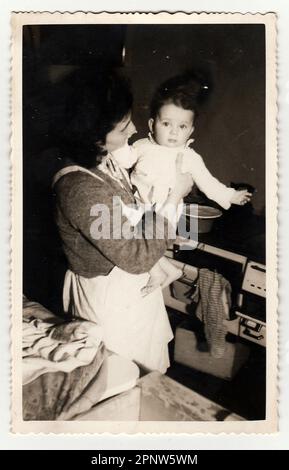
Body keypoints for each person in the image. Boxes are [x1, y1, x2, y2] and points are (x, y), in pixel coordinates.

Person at [52, 69, 193, 374]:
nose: (133, 130)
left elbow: (128, 219)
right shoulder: (81, 189)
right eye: (122, 126)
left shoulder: (106, 159)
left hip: (132, 291)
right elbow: (135, 255)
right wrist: (172, 201)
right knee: (118, 379)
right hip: (111, 301)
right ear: (92, 133)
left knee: (145, 374)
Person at [130, 72, 253, 293]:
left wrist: (231, 195)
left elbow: (208, 181)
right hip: (137, 206)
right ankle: (165, 270)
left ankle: (161, 270)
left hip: (165, 210)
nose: (174, 132)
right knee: (132, 238)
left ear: (191, 130)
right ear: (152, 123)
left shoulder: (189, 157)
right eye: (166, 123)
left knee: (143, 239)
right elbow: (123, 160)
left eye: (182, 127)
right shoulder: (140, 146)